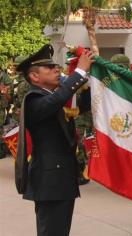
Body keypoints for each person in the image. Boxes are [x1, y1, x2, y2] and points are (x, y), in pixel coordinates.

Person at [15, 44, 93, 236]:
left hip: (60, 179)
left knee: (59, 231)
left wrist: (86, 84)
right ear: (34, 77)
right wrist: (79, 72)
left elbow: (82, 107)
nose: (56, 69)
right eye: (49, 67)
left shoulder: (54, 98)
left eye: (56, 66)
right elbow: (56, 100)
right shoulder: (34, 99)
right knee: (52, 231)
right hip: (50, 181)